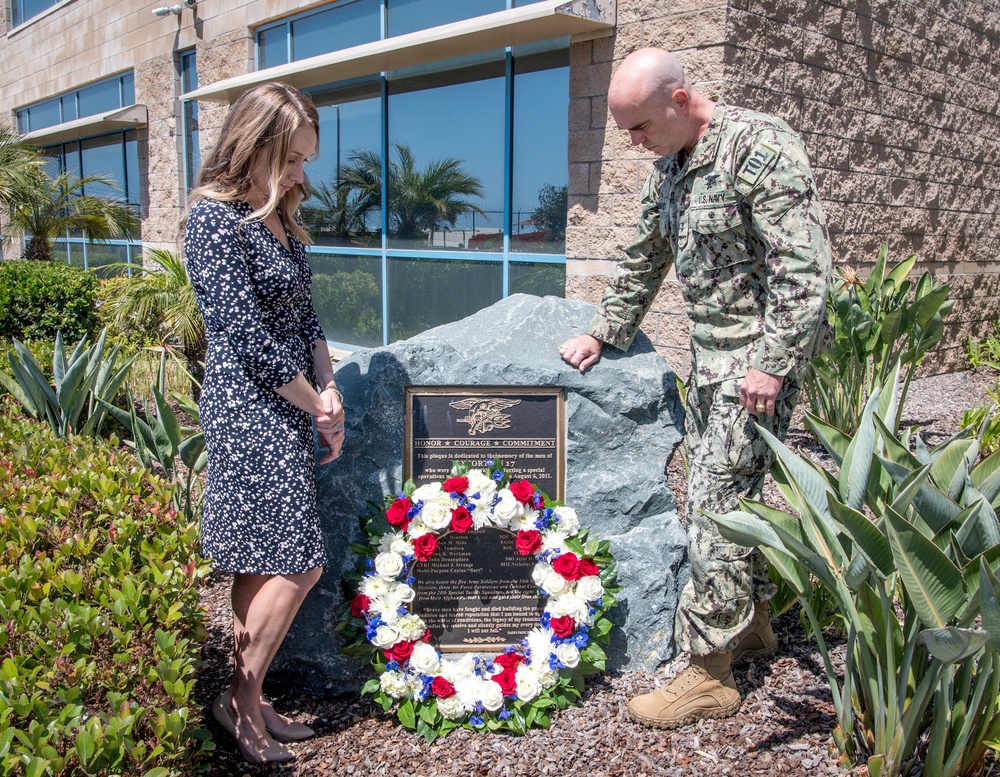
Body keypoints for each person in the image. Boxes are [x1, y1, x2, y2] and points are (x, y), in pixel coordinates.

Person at [559, 48, 831, 729]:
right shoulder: (669, 171)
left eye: (641, 126)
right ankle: (757, 623)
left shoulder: (758, 146)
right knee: (731, 497)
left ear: (680, 99)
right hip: (708, 368)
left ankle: (710, 671)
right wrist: (604, 330)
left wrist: (771, 363)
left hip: (756, 373)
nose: (634, 142)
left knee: (713, 505)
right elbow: (645, 256)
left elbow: (803, 267)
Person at [183, 82, 345, 763]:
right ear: (254, 146)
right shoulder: (213, 222)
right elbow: (245, 337)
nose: (301, 175)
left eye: (305, 160)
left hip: (293, 398)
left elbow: (305, 322)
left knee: (263, 555)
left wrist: (330, 388)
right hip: (248, 407)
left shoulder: (283, 217)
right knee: (299, 561)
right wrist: (316, 404)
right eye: (291, 159)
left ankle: (251, 698)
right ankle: (239, 702)